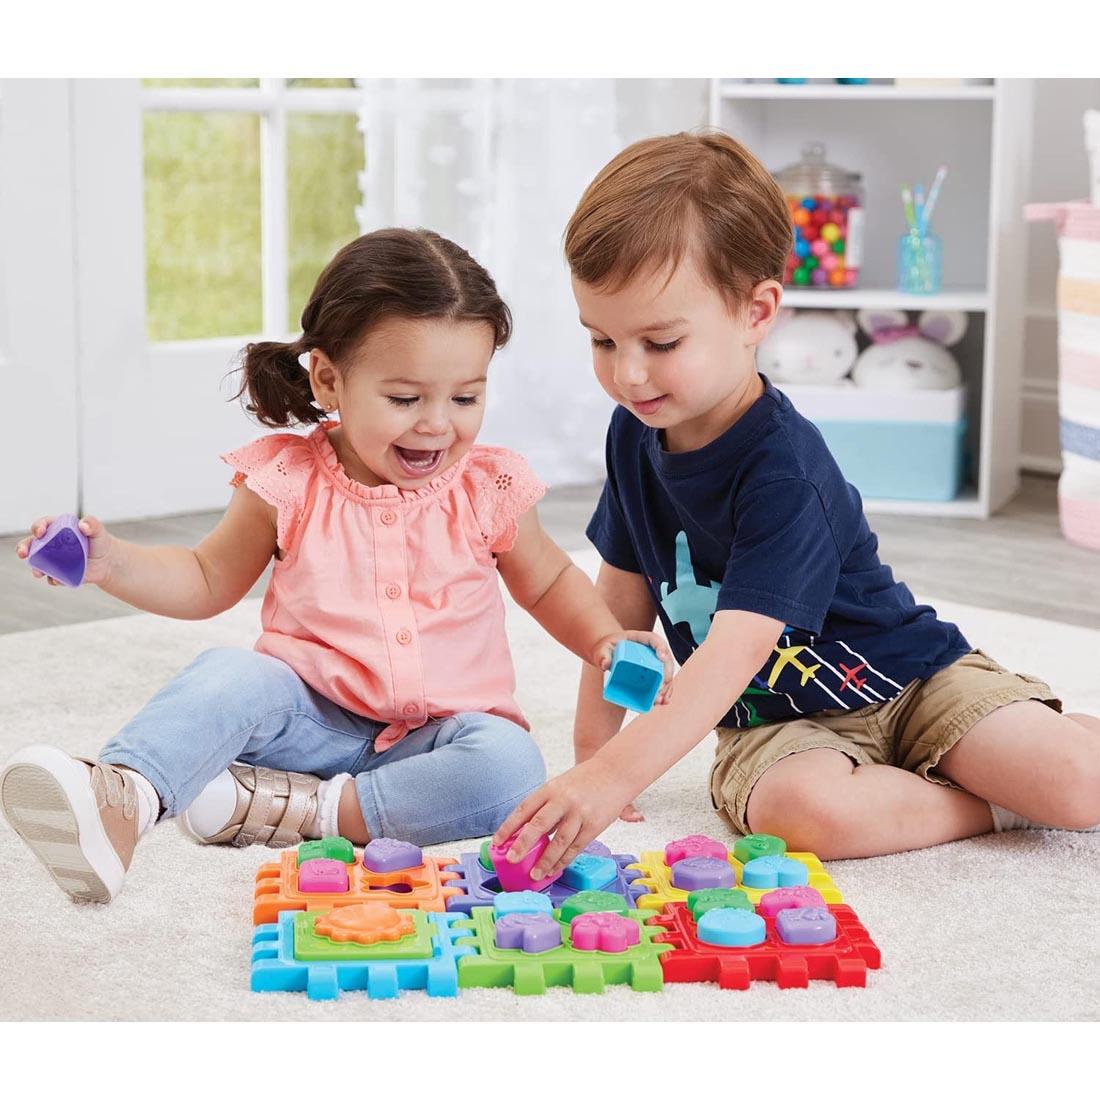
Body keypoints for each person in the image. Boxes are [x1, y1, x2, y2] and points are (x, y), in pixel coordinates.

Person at [493, 131, 1100, 880]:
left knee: (1076, 787)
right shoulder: (632, 434)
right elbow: (618, 612)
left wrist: (616, 774)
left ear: (757, 313)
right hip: (776, 724)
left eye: (661, 341)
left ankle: (1018, 775)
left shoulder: (785, 470)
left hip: (911, 679)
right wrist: (593, 751)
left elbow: (730, 654)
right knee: (803, 817)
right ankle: (989, 803)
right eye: (602, 340)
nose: (628, 373)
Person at [0, 227, 671, 904]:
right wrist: (109, 563)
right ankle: (123, 799)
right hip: (302, 723)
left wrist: (604, 641)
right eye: (405, 400)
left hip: (437, 744)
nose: (438, 424)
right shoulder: (288, 482)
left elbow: (551, 580)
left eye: (465, 398)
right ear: (328, 379)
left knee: (511, 766)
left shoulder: (486, 486)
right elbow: (206, 580)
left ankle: (293, 812)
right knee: (229, 675)